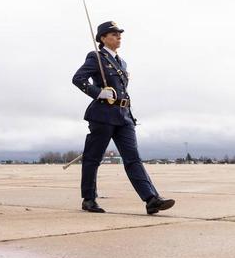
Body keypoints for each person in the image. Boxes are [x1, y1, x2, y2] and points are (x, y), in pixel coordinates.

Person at [72, 21, 175, 215]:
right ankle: (89, 199)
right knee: (93, 158)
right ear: (103, 38)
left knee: (133, 158)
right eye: (113, 34)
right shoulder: (96, 57)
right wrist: (99, 93)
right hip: (102, 115)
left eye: (119, 34)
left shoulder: (122, 63)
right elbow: (78, 79)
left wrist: (129, 114)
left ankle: (151, 199)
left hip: (124, 117)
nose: (118, 37)